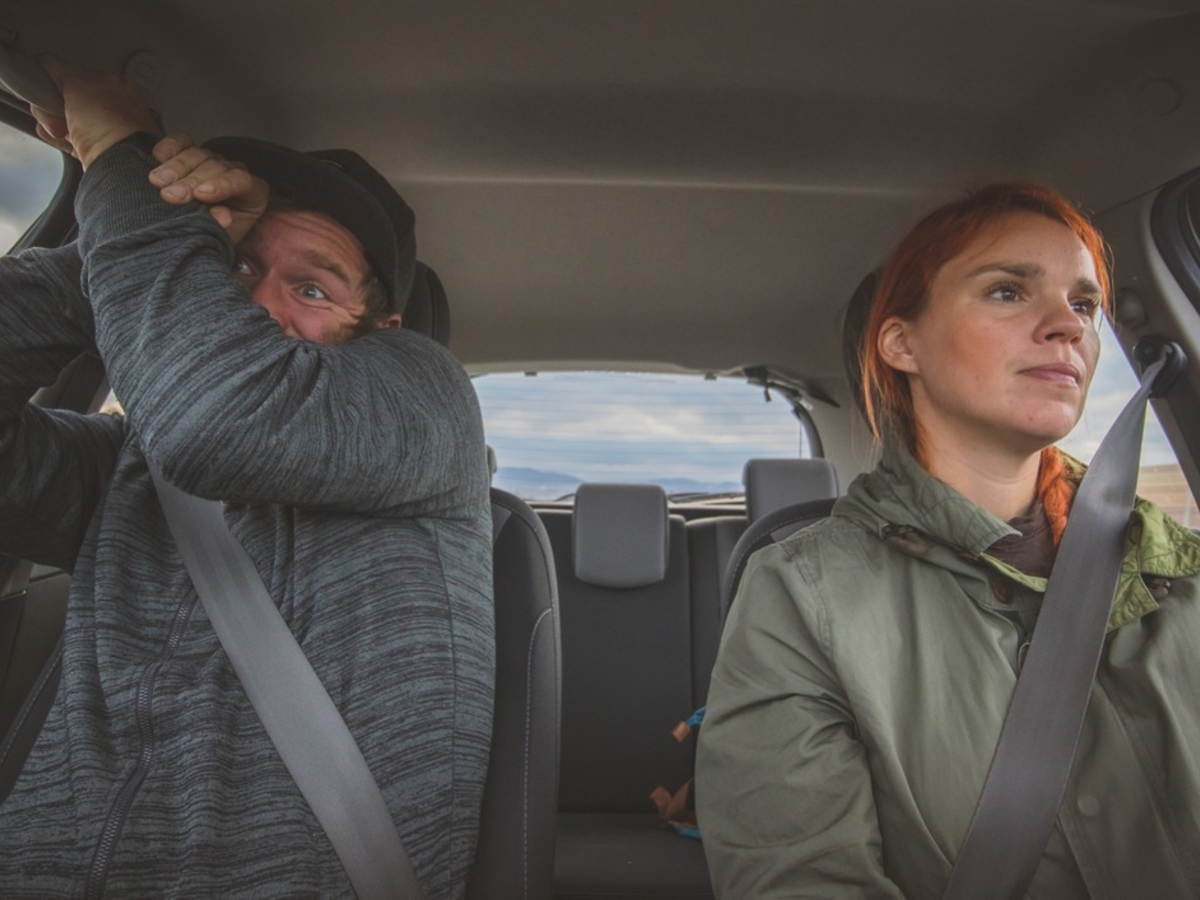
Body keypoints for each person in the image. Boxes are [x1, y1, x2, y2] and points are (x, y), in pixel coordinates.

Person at [0, 59, 494, 898]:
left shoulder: (426, 397)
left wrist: (121, 152)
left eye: (312, 288)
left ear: (381, 329)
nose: (259, 306)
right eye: (234, 268)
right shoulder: (129, 469)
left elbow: (216, 420)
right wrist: (134, 253)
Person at [695, 182, 1200, 898]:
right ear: (902, 343)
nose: (1069, 325)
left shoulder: (1178, 569)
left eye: (1085, 304)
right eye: (1007, 291)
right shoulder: (804, 595)